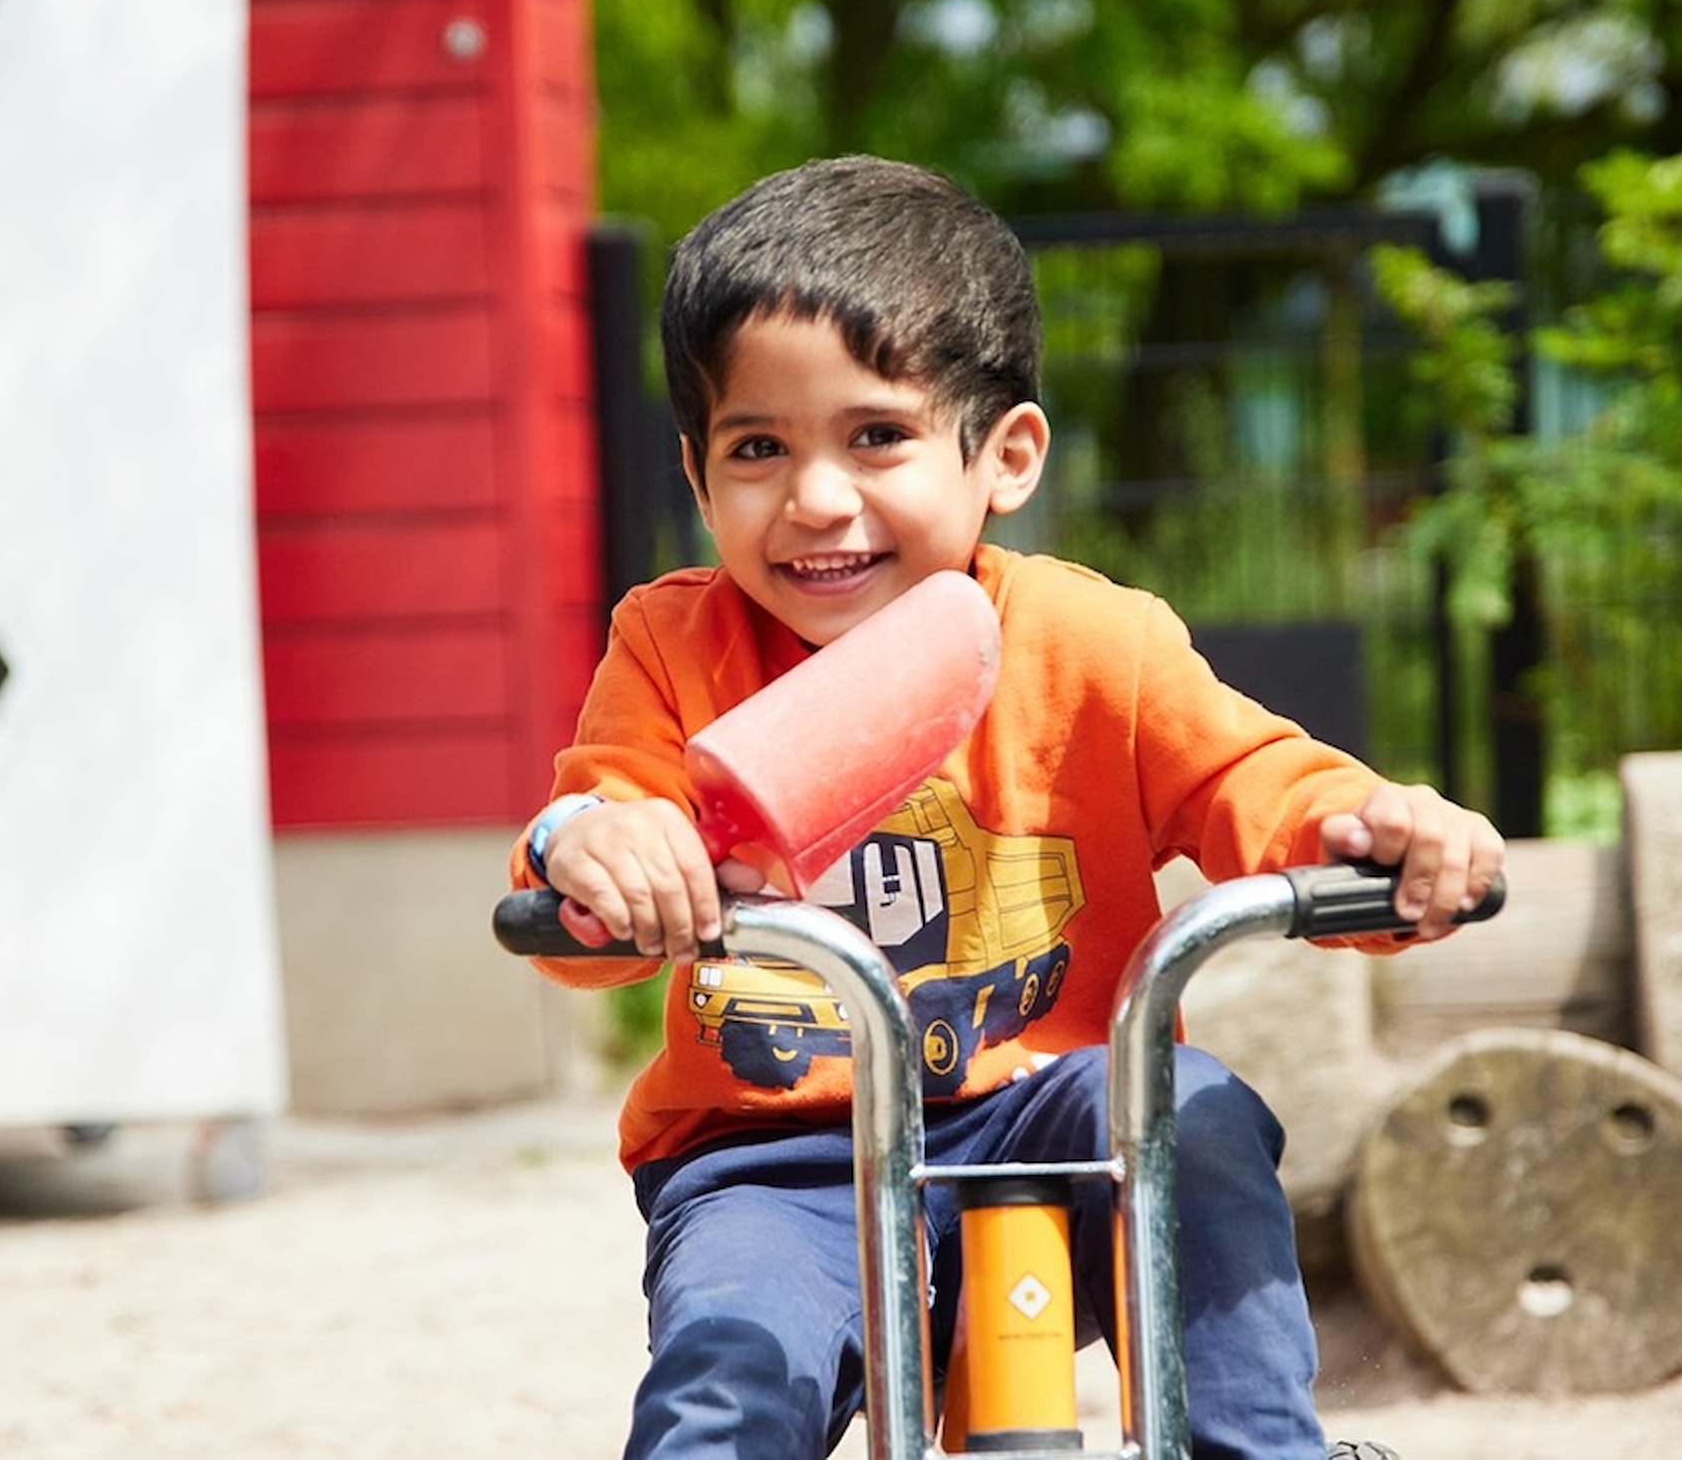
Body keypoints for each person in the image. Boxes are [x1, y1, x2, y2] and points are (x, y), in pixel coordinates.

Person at [513, 154, 1505, 1460]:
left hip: (1053, 1111)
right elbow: (607, 799)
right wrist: (604, 842)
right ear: (698, 480)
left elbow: (1249, 776)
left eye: (878, 436)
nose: (815, 499)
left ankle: (1261, 1449)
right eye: (759, 448)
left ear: (1006, 453)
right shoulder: (674, 645)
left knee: (1190, 1115)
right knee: (728, 1359)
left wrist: (1368, 835)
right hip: (778, 1146)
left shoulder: (1091, 642)